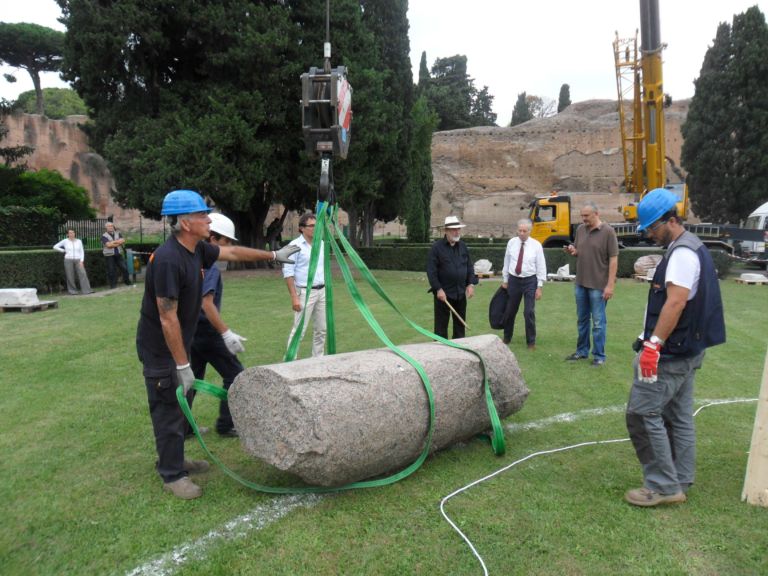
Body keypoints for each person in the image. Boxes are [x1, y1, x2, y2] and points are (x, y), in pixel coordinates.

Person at [136, 189, 299, 500]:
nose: (208, 219)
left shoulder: (196, 250)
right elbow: (167, 317)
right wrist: (183, 365)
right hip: (160, 350)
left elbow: (233, 254)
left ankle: (176, 458)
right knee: (167, 408)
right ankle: (172, 474)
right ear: (185, 223)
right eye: (201, 215)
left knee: (177, 404)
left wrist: (273, 255)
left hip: (177, 344)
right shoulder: (169, 260)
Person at [624, 188, 725, 507]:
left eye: (652, 228)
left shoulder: (682, 253)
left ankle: (663, 486)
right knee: (679, 416)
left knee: (641, 413)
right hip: (689, 350)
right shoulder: (693, 246)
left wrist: (653, 346)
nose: (650, 235)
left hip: (671, 352)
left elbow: (677, 301)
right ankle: (680, 477)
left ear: (670, 220)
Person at [189, 213, 244, 439]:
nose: (228, 247)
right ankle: (226, 424)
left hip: (191, 332)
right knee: (236, 375)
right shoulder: (209, 266)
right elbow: (206, 303)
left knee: (190, 380)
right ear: (212, 238)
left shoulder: (191, 259)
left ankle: (182, 428)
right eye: (226, 241)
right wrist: (226, 333)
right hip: (206, 333)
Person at [563, 202, 618, 366]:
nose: (583, 219)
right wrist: (574, 251)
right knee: (582, 320)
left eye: (586, 215)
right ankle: (582, 351)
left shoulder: (608, 232)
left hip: (598, 286)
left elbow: (614, 259)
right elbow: (581, 251)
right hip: (580, 283)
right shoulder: (580, 230)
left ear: (596, 214)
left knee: (599, 323)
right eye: (582, 215)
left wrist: (610, 285)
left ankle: (599, 356)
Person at [426, 215, 478, 339]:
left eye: (458, 229)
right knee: (440, 328)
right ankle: (440, 353)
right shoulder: (436, 248)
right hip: (443, 295)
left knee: (460, 327)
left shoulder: (463, 246)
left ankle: (460, 353)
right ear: (446, 231)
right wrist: (438, 289)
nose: (457, 232)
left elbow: (469, 267)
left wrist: (470, 284)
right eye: (454, 229)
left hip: (460, 293)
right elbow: (431, 271)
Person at [283, 212, 326, 358]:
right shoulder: (293, 246)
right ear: (302, 228)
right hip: (304, 292)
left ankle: (317, 360)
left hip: (322, 291)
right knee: (299, 330)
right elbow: (288, 273)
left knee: (321, 329)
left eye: (317, 225)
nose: (315, 228)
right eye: (312, 226)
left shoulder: (321, 244)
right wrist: (294, 297)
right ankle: (290, 361)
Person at [500, 218, 547, 350]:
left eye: (524, 231)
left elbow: (541, 266)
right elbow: (507, 261)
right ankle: (507, 338)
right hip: (514, 280)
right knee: (510, 311)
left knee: (528, 312)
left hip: (530, 281)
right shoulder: (511, 243)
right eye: (519, 230)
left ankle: (531, 342)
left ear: (529, 231)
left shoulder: (536, 245)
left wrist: (539, 286)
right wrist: (505, 280)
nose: (521, 233)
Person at [53, 229, 93, 295]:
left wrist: (82, 261)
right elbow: (55, 247)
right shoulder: (65, 241)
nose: (72, 234)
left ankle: (87, 290)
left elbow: (82, 251)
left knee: (83, 274)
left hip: (78, 259)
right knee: (70, 275)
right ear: (67, 234)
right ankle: (73, 291)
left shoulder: (79, 241)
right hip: (68, 259)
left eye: (73, 232)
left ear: (75, 233)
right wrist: (63, 250)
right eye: (70, 233)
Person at [101, 222, 132, 289]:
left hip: (118, 254)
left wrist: (113, 243)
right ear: (106, 228)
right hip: (109, 255)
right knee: (111, 271)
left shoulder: (118, 233)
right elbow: (108, 245)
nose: (111, 227)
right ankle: (113, 286)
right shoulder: (104, 236)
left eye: (112, 226)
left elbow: (123, 240)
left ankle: (127, 282)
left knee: (124, 268)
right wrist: (117, 242)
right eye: (109, 226)